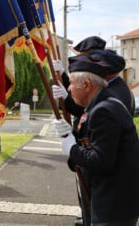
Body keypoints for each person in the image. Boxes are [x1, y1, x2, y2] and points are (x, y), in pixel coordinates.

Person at [54, 55, 139, 226]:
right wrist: (70, 136)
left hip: (113, 205)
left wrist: (72, 148)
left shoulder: (104, 111)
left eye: (71, 83)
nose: (69, 89)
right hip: (108, 201)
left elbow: (101, 161)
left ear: (86, 85)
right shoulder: (98, 106)